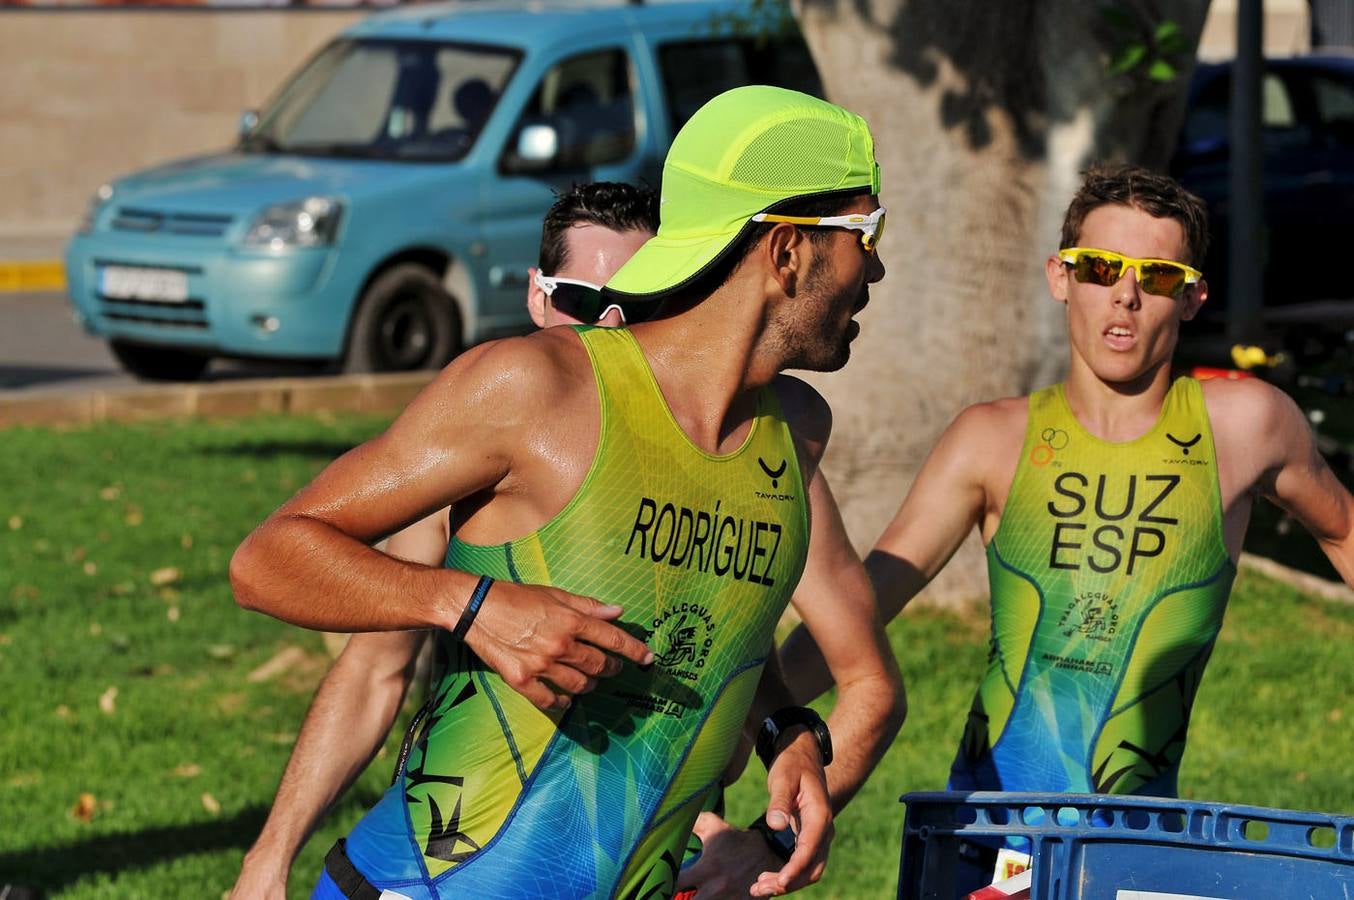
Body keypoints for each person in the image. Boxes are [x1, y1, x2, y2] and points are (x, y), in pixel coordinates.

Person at [230, 85, 898, 899]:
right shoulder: (535, 387)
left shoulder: (795, 431)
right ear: (787, 250)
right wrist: (472, 605)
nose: (879, 268)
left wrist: (784, 729)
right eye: (868, 232)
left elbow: (699, 625)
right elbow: (267, 559)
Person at [778, 163, 1354, 886]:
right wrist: (750, 714)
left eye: (1159, 274)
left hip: (1140, 845)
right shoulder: (991, 438)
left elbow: (1344, 531)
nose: (1126, 293)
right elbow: (864, 604)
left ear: (1194, 296)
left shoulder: (1247, 426)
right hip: (985, 835)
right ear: (1060, 276)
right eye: (1101, 266)